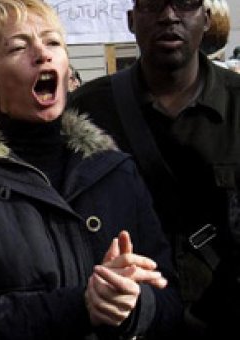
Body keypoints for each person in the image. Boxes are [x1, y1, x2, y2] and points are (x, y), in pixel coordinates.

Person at [0, 0, 183, 339]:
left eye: (53, 42)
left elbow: (170, 299)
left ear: (68, 68)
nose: (42, 54)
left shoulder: (113, 170)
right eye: (19, 47)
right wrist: (82, 305)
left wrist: (133, 304)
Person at [69, 0, 240, 338]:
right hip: (128, 320)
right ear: (132, 21)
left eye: (186, 4)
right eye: (152, 5)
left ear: (206, 19)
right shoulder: (85, 111)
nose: (169, 15)